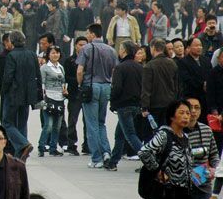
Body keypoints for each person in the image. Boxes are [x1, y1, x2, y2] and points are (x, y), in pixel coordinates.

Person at [138, 100, 194, 199]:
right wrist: (157, 171)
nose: (186, 116)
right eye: (181, 113)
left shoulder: (186, 138)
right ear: (172, 116)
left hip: (185, 195)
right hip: (166, 194)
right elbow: (144, 152)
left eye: (188, 113)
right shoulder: (164, 135)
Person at [76, 23, 117, 168]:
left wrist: (80, 84)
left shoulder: (86, 48)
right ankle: (106, 152)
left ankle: (96, 158)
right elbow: (114, 71)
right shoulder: (111, 50)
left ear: (93, 34)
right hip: (106, 87)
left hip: (91, 86)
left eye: (88, 33)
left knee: (91, 124)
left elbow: (80, 70)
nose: (87, 36)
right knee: (101, 123)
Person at [0, 30, 40, 160]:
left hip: (13, 94)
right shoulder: (32, 54)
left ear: (11, 41)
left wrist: (3, 91)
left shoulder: (11, 56)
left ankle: (23, 144)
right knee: (22, 122)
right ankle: (21, 153)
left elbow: (8, 77)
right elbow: (38, 76)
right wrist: (38, 93)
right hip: (28, 95)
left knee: (7, 122)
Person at [106, 40, 144, 171]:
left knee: (130, 134)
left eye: (121, 48)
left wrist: (113, 102)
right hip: (135, 105)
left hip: (124, 105)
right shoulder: (140, 67)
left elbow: (116, 88)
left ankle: (149, 159)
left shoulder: (120, 67)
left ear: (125, 51)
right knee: (120, 134)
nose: (119, 51)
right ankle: (113, 161)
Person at [183, 96, 219, 199]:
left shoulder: (206, 130)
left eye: (197, 108)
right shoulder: (176, 131)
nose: (193, 111)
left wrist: (214, 168)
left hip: (204, 188)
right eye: (190, 107)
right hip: (181, 190)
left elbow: (214, 155)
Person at [142, 38, 179, 127]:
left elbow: (146, 88)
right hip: (170, 103)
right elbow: (177, 85)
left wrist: (144, 107)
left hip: (155, 105)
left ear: (153, 48)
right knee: (167, 130)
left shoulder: (149, 66)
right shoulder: (172, 63)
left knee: (155, 133)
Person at [37, 45, 67, 157]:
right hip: (48, 98)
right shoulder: (44, 68)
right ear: (48, 55)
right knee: (48, 125)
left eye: (57, 53)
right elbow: (42, 84)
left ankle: (53, 148)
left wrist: (65, 91)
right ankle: (41, 146)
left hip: (59, 98)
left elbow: (63, 82)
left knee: (57, 125)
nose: (56, 55)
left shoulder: (61, 67)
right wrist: (43, 98)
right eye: (53, 53)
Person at [62, 35, 87, 155]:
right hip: (74, 93)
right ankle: (71, 144)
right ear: (75, 45)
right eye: (80, 45)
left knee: (88, 121)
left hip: (86, 94)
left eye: (85, 45)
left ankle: (87, 145)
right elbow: (65, 77)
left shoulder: (89, 59)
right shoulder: (69, 61)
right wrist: (78, 80)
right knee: (72, 119)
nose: (82, 47)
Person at [177, 37, 212, 117]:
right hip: (192, 96)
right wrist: (202, 85)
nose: (199, 48)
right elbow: (186, 79)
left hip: (206, 98)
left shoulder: (206, 60)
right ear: (189, 48)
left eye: (200, 45)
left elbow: (210, 74)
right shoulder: (183, 62)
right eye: (196, 46)